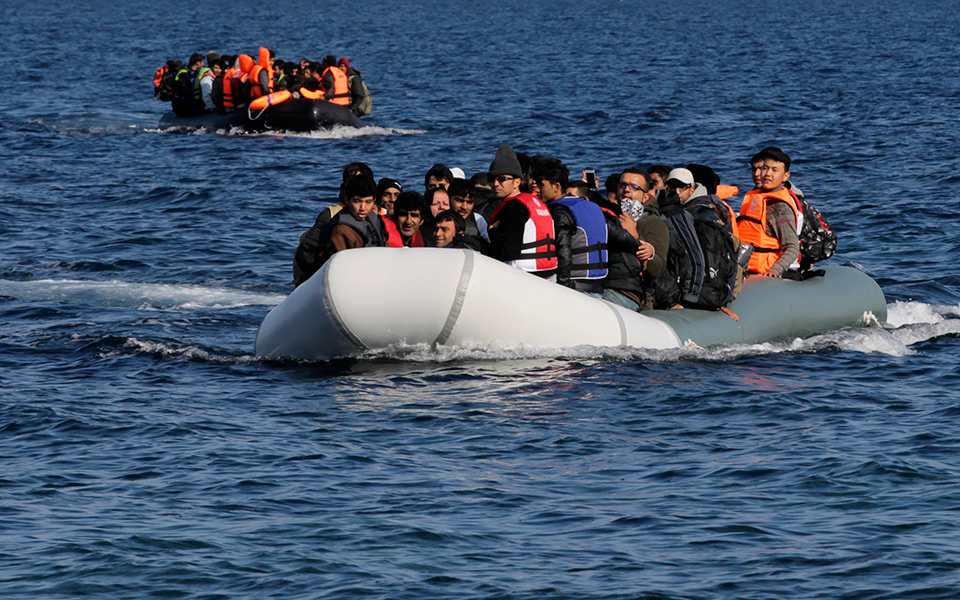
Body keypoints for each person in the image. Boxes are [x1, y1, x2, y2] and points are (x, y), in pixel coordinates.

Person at [534, 159, 642, 296]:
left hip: (575, 287)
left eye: (541, 185)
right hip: (598, 287)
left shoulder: (558, 211)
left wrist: (562, 289)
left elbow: (564, 251)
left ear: (556, 186)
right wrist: (643, 249)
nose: (536, 189)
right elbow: (621, 236)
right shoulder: (592, 206)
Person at [292, 177, 385, 286]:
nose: (363, 208)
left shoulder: (372, 220)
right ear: (347, 200)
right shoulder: (340, 231)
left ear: (374, 201)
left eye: (368, 202)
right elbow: (342, 271)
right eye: (357, 201)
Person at [486, 144, 557, 279]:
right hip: (550, 275)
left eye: (502, 179)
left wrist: (492, 231)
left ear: (517, 182)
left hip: (525, 276)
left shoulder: (514, 206)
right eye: (491, 179)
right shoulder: (536, 202)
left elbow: (508, 252)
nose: (495, 184)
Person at [609, 168, 669, 310]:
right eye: (623, 185)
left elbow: (658, 268)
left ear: (645, 197)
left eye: (634, 187)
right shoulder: (610, 214)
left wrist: (635, 236)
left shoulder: (653, 222)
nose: (627, 190)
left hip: (638, 295)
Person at [737, 148, 801, 277]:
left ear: (785, 176)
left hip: (767, 273)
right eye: (765, 168)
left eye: (774, 170)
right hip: (746, 270)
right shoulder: (755, 197)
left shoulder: (779, 207)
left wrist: (775, 270)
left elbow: (792, 247)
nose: (767, 174)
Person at [376, 178, 403, 248]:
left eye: (397, 195)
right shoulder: (375, 222)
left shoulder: (408, 220)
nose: (393, 199)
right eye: (387, 195)